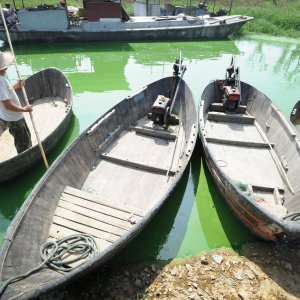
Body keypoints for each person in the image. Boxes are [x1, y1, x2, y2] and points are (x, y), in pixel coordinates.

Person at [0, 51, 33, 154]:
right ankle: (26, 161)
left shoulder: (2, 79)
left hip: (6, 116)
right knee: (24, 144)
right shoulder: (1, 81)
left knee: (23, 138)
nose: (7, 67)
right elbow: (7, 105)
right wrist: (24, 109)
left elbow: (6, 93)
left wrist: (17, 86)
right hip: (14, 118)